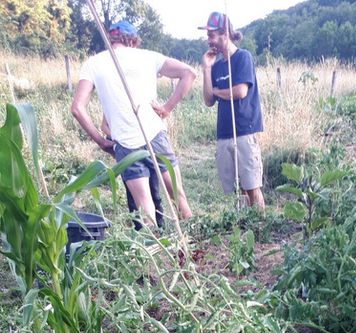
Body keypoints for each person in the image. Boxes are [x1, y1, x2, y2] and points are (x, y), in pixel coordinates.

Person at [71, 19, 195, 224]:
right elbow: (189, 73)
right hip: (156, 135)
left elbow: (77, 108)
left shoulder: (93, 63)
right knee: (179, 198)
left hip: (126, 145)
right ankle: (194, 246)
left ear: (110, 39)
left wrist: (101, 142)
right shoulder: (148, 57)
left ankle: (153, 253)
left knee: (145, 210)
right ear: (133, 41)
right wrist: (166, 108)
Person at [199, 11, 265, 209]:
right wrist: (207, 69)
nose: (208, 40)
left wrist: (218, 91)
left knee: (252, 186)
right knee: (237, 190)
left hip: (244, 130)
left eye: (211, 35)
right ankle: (245, 228)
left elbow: (240, 91)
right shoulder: (217, 66)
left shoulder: (243, 57)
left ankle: (262, 226)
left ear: (224, 34)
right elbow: (209, 99)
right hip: (224, 133)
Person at [100, 113, 164, 230]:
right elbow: (104, 126)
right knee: (134, 196)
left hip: (147, 147)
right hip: (127, 151)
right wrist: (118, 138)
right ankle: (140, 230)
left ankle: (160, 227)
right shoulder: (114, 104)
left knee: (154, 191)